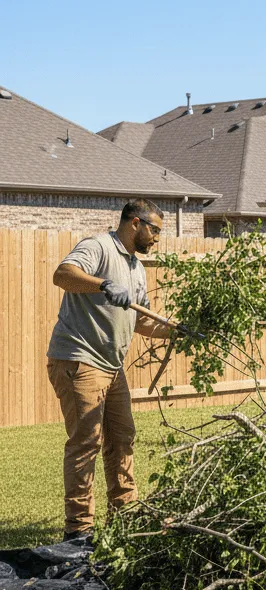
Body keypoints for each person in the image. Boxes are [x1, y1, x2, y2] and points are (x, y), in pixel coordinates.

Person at [47, 198, 174, 542]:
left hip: (112, 366)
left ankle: (123, 518)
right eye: (155, 230)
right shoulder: (98, 247)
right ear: (135, 223)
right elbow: (63, 275)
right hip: (79, 359)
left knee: (122, 439)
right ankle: (79, 532)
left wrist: (177, 329)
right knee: (86, 441)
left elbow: (141, 321)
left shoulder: (136, 268)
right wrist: (102, 284)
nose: (157, 239)